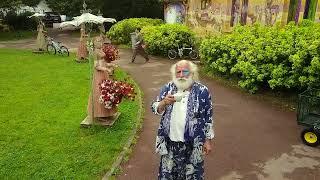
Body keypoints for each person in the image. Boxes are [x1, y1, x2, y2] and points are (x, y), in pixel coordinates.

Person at [151, 60, 214, 180]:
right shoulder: (168, 88)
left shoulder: (202, 91)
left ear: (192, 73)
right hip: (170, 143)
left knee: (192, 175)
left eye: (184, 71)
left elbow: (208, 116)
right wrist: (164, 102)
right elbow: (154, 107)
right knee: (169, 175)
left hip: (193, 143)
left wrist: (208, 140)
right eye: (178, 72)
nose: (180, 75)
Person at [87, 36, 117, 121]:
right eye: (97, 42)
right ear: (94, 43)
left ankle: (107, 113)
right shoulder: (95, 52)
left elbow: (103, 62)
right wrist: (106, 69)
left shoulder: (101, 50)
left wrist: (110, 65)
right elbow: (96, 66)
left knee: (107, 91)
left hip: (104, 73)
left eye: (100, 41)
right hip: (99, 74)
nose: (99, 43)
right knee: (100, 91)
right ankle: (99, 114)